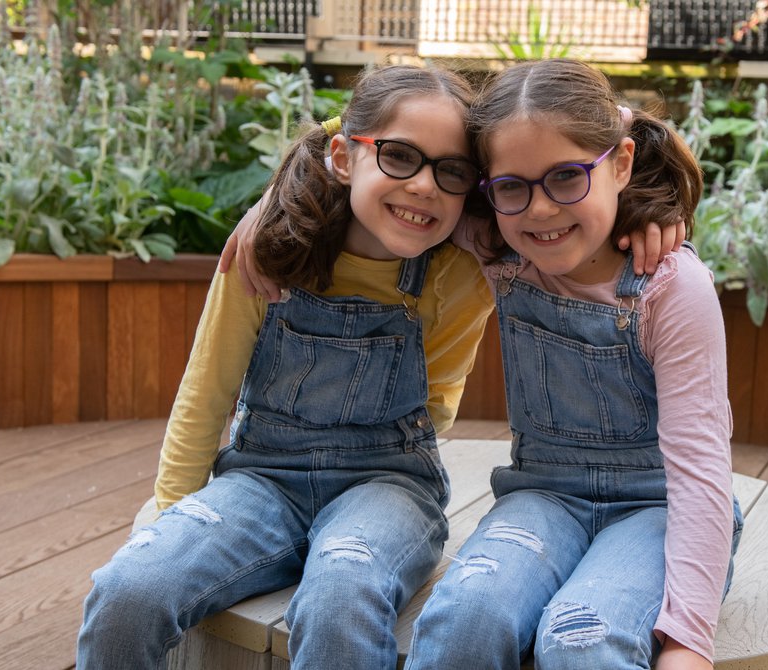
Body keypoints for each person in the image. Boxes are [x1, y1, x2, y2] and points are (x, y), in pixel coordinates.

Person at [76, 64, 497, 669]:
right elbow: (208, 387)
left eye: (450, 170)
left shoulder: (461, 273)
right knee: (129, 591)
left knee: (342, 591)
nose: (424, 186)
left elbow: (441, 398)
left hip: (388, 485)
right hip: (262, 478)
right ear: (345, 157)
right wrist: (173, 518)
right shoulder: (270, 252)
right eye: (399, 156)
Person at [404, 59, 743, 670]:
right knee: (464, 620)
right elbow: (384, 153)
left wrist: (691, 639)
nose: (539, 210)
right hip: (543, 498)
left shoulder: (671, 288)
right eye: (513, 186)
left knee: (582, 638)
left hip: (657, 509)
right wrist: (273, 201)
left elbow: (701, 468)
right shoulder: (496, 244)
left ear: (621, 164)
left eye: (567, 177)